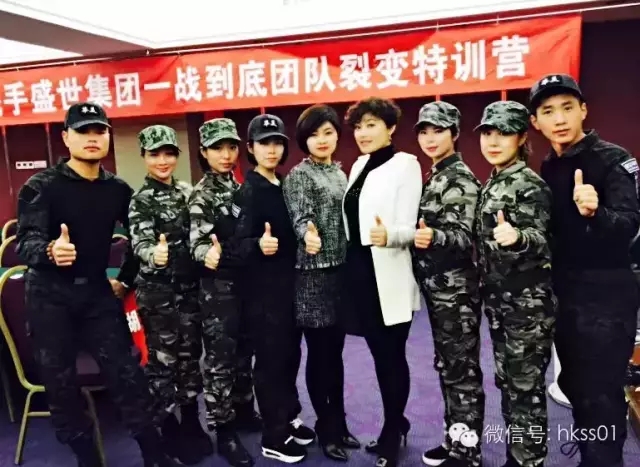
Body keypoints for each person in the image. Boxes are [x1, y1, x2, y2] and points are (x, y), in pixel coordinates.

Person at [15, 102, 178, 467]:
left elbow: (140, 239)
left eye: (99, 131)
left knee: (128, 376)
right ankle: (88, 459)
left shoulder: (117, 189)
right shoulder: (41, 186)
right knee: (61, 386)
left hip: (95, 294)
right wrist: (49, 250)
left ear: (107, 137)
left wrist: (125, 279)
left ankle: (154, 455)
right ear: (65, 137)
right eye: (83, 131)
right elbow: (25, 242)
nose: (92, 138)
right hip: (49, 296)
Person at [530, 74, 640, 467]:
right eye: (548, 111)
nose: (559, 118)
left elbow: (631, 225)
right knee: (574, 384)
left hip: (608, 297)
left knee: (602, 393)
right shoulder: (548, 165)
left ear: (584, 110)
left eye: (567, 107)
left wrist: (597, 213)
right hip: (566, 295)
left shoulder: (612, 159)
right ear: (536, 122)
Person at [341, 97, 422, 467]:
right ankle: (396, 421)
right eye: (358, 126)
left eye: (371, 125)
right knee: (378, 356)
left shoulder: (406, 165)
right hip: (359, 274)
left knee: (392, 358)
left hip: (388, 275)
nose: (363, 133)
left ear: (391, 128)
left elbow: (410, 226)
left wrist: (390, 235)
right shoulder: (359, 164)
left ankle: (393, 431)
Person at [474, 101, 555, 467]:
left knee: (526, 392)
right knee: (509, 385)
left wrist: (519, 237)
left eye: (504, 133)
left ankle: (530, 460)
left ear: (522, 137)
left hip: (527, 307)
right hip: (501, 304)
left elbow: (541, 236)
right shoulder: (494, 179)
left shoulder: (529, 184)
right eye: (488, 133)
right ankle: (517, 456)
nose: (493, 141)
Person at [232, 114, 316, 463]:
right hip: (262, 294)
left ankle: (288, 417)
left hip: (288, 289)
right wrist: (257, 245)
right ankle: (273, 435)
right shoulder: (247, 191)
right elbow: (233, 247)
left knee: (289, 357)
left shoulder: (283, 184)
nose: (272, 149)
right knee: (270, 364)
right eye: (264, 143)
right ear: (250, 148)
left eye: (277, 142)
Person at [128, 125, 213, 465]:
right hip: (158, 295)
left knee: (190, 358)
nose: (162, 161)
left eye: (168, 153)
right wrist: (154, 254)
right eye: (154, 154)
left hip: (189, 291)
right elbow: (140, 242)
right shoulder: (140, 200)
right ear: (144, 157)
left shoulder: (189, 191)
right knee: (163, 363)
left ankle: (191, 422)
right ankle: (167, 426)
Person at [282, 104, 360, 462]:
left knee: (336, 356)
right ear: (303, 140)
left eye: (328, 132)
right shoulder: (299, 176)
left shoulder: (340, 173)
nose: (322, 140)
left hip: (340, 274)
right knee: (320, 358)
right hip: (313, 277)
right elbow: (301, 218)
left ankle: (340, 423)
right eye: (314, 134)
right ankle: (326, 428)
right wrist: (307, 235)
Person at [411, 101, 485, 467]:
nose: (430, 138)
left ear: (454, 134)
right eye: (424, 131)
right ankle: (455, 438)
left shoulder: (459, 179)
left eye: (438, 131)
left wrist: (433, 236)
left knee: (462, 372)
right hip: (440, 291)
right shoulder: (437, 174)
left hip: (456, 292)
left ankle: (467, 452)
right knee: (449, 367)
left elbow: (462, 237)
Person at [188, 118, 260, 467]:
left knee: (245, 351)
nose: (226, 154)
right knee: (220, 361)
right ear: (204, 152)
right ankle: (224, 431)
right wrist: (208, 253)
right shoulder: (201, 195)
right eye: (218, 148)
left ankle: (245, 411)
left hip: (245, 283)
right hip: (217, 289)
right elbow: (197, 241)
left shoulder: (240, 187)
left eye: (231, 147)